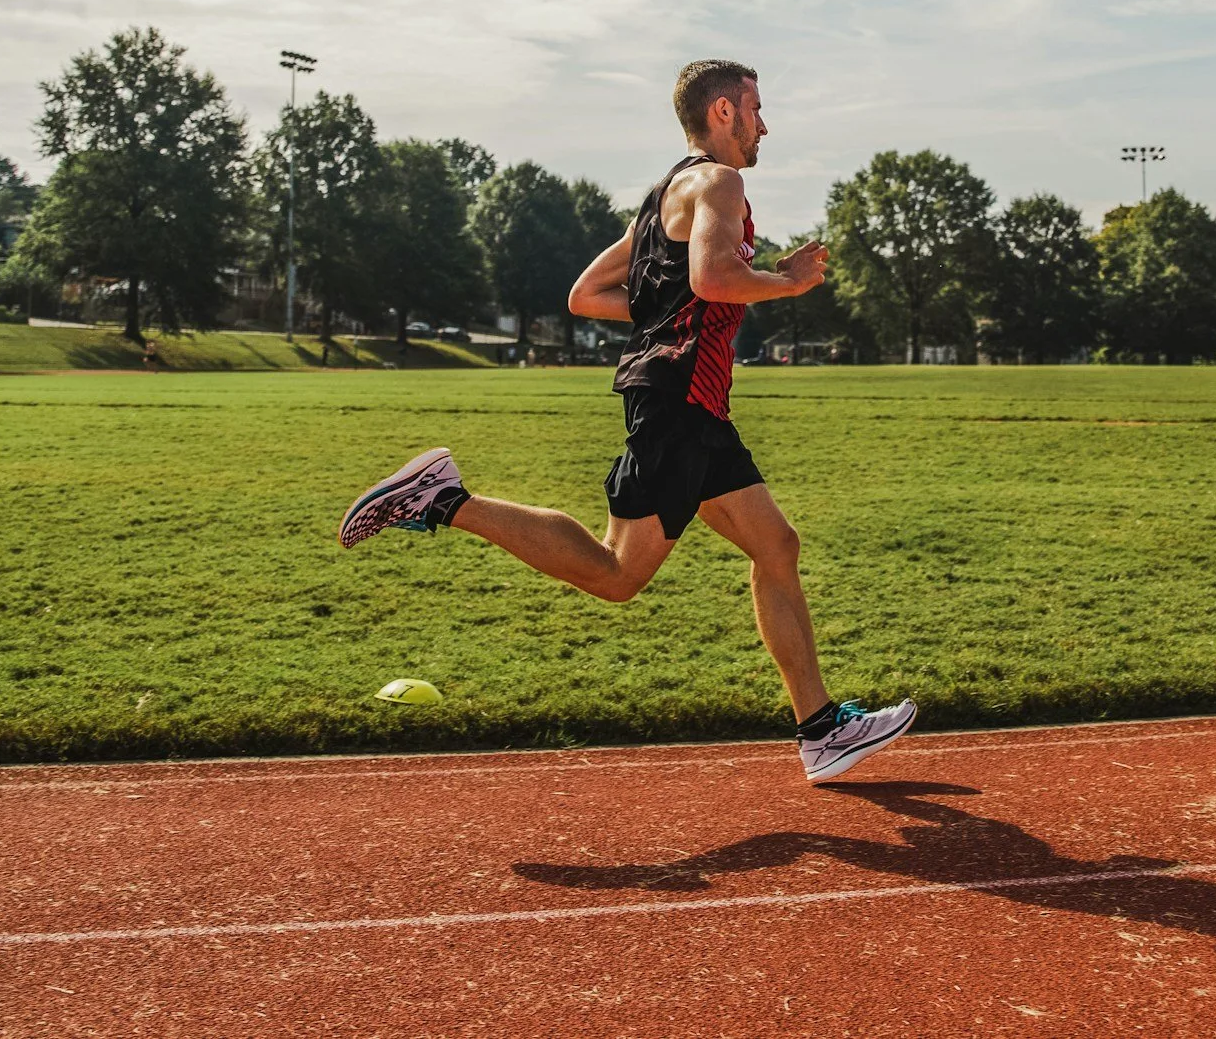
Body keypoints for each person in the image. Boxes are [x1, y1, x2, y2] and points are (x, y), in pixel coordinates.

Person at [339, 60, 916, 783]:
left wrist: (680, 307)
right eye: (757, 107)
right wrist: (786, 281)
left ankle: (820, 729)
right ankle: (444, 499)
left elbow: (587, 294)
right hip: (677, 403)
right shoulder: (718, 182)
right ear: (724, 113)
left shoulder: (660, 198)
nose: (766, 123)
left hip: (692, 405)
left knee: (777, 544)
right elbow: (710, 280)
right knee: (616, 572)